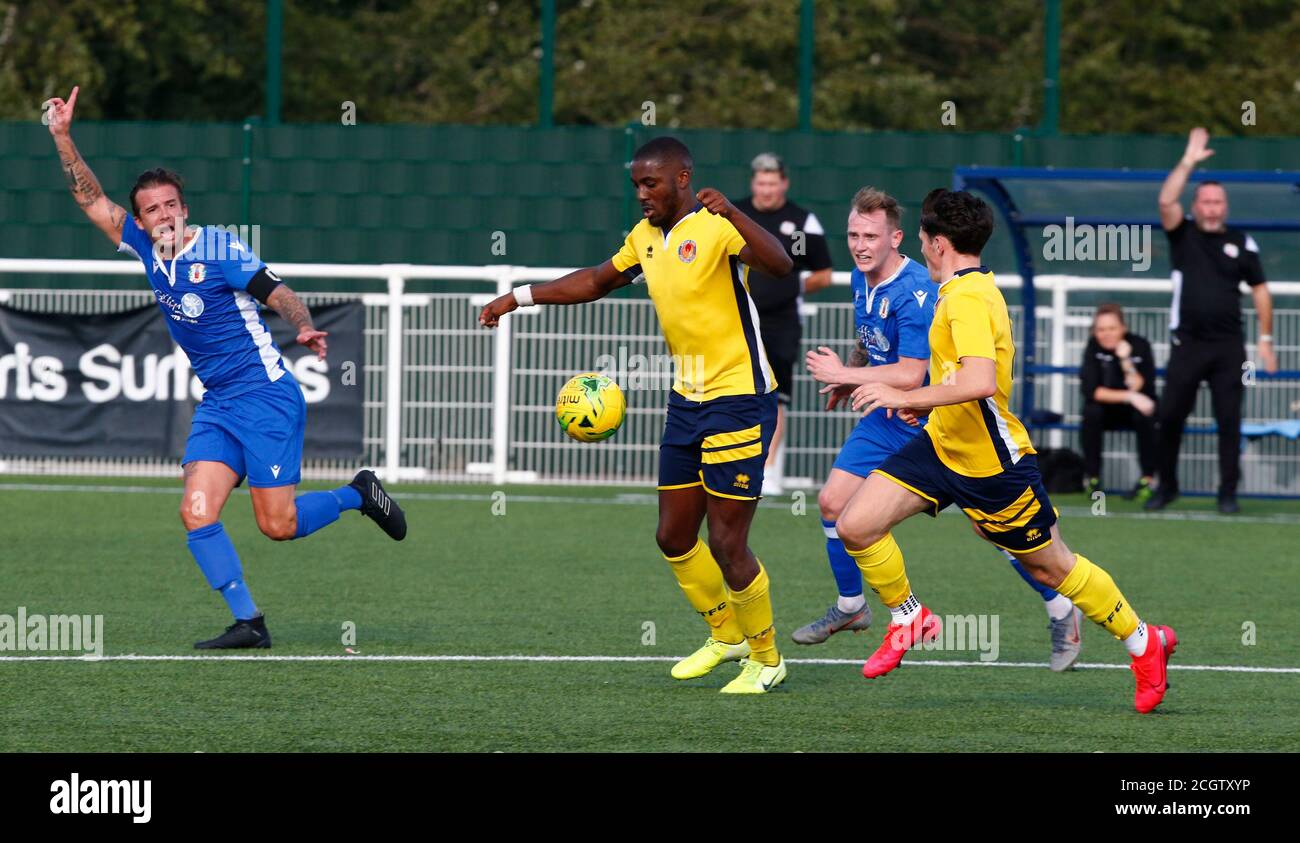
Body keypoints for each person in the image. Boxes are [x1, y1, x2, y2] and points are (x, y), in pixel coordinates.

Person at [46, 86, 407, 649]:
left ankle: (358, 494)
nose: (161, 216)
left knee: (277, 526)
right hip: (219, 404)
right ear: (141, 219)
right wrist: (62, 136)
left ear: (183, 208)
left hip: (264, 395)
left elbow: (275, 290)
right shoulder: (143, 246)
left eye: (169, 205)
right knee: (195, 511)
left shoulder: (217, 249)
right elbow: (91, 199)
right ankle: (250, 623)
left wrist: (302, 324)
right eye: (150, 209)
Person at [840, 188, 1176, 713]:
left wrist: (902, 393)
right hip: (941, 445)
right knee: (856, 524)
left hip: (993, 466)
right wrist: (924, 407)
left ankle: (1142, 642)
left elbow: (978, 380)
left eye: (925, 242)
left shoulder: (968, 299)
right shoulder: (959, 291)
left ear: (938, 244)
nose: (922, 251)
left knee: (1051, 568)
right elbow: (959, 380)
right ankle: (910, 617)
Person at [479, 137, 795, 693]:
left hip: (740, 399)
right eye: (636, 186)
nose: (642, 195)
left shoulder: (718, 225)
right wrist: (518, 297)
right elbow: (598, 280)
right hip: (686, 400)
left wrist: (737, 213)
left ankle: (767, 658)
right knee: (673, 536)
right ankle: (727, 636)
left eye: (651, 184)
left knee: (727, 542)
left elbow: (780, 265)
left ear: (682, 179)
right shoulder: (644, 238)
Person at [797, 187, 1085, 672]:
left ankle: (1062, 608)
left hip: (929, 418)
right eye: (853, 234)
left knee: (992, 530)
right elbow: (872, 342)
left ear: (899, 238)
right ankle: (853, 607)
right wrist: (854, 369)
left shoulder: (919, 292)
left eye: (871, 235)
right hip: (886, 416)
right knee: (833, 503)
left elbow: (912, 374)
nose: (860, 245)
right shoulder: (860, 279)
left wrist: (845, 376)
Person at [1147, 127, 1279, 514]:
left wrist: (1266, 340)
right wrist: (1188, 160)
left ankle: (1227, 494)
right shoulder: (1181, 234)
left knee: (1228, 420)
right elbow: (1165, 199)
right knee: (1169, 416)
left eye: (1217, 202)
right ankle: (1165, 486)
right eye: (1205, 201)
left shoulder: (1242, 242)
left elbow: (1260, 290)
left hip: (1228, 347)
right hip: (1187, 344)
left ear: (1225, 207)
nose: (1211, 208)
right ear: (1196, 205)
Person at [733, 153, 833, 495]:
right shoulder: (734, 214)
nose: (766, 190)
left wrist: (791, 285)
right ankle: (730, 464)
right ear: (753, 183)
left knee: (774, 396)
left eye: (773, 183)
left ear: (784, 184)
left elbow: (823, 273)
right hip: (735, 320)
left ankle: (768, 470)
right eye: (761, 183)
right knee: (733, 392)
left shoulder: (802, 222)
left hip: (781, 323)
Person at [1079, 303, 1158, 502]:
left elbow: (1141, 386)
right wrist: (1129, 396)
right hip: (1106, 411)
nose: (1106, 334)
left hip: (1134, 412)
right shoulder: (1092, 347)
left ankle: (1148, 480)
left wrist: (1126, 360)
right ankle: (1093, 478)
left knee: (1146, 414)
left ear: (1123, 328)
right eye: (1101, 329)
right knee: (1091, 412)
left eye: (1112, 328)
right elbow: (1092, 391)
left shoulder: (1140, 345)